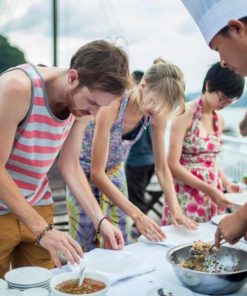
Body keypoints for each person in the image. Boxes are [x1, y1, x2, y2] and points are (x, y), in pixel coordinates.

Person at [0, 40, 131, 277]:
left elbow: (69, 165)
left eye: (101, 107)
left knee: (41, 286)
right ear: (72, 78)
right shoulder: (17, 88)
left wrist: (100, 220)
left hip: (38, 203)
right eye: (92, 103)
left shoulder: (82, 108)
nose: (94, 114)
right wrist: (43, 231)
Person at [63, 58, 198, 252]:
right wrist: (138, 215)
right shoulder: (113, 105)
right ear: (143, 84)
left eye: (161, 107)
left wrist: (176, 209)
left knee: (120, 240)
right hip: (82, 173)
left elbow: (161, 168)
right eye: (153, 101)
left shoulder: (156, 113)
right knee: (86, 241)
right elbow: (97, 173)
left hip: (116, 171)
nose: (154, 109)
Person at [180, 0, 247, 247]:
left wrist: (242, 216)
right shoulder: (187, 112)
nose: (222, 61)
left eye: (218, 47)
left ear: (237, 28)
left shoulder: (218, 118)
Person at [163, 62, 244, 225]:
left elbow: (211, 161)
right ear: (208, 85)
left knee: (209, 243)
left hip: (214, 191)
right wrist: (208, 189)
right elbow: (172, 164)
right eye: (222, 98)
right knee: (185, 240)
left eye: (230, 102)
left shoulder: (219, 119)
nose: (224, 104)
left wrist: (227, 183)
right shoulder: (185, 113)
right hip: (186, 192)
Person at [125, 70, 155, 215]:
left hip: (137, 161)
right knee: (138, 196)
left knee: (136, 199)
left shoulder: (148, 110)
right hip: (150, 160)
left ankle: (139, 229)